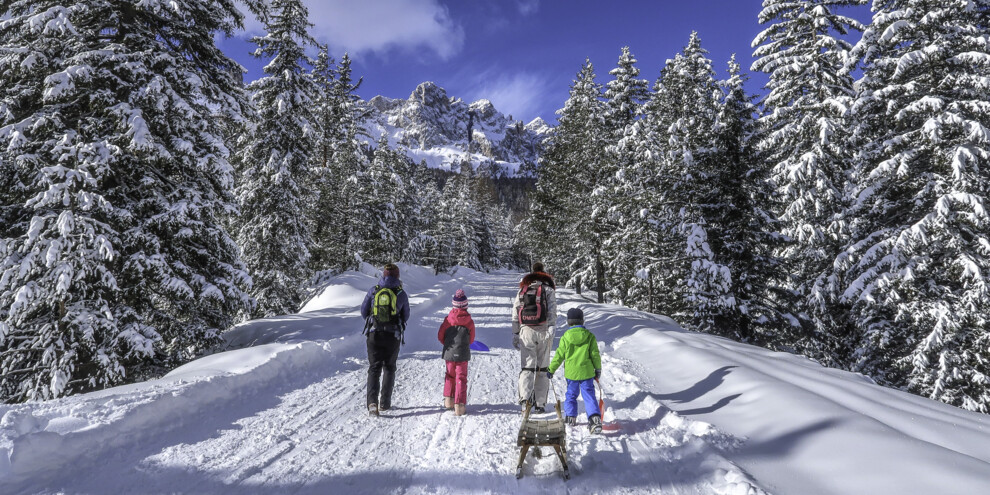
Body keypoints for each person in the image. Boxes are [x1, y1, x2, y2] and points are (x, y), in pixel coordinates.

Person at [360, 263, 410, 416]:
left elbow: (363, 311)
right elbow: (406, 315)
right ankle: (385, 403)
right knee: (389, 367)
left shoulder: (374, 290)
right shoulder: (401, 293)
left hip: (374, 334)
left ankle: (372, 403)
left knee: (374, 368)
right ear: (397, 276)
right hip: (392, 336)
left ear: (383, 275)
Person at [547, 307, 603, 434]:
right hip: (587, 373)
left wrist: (551, 369)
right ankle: (594, 419)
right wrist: (597, 369)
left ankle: (570, 417)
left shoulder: (566, 337)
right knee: (589, 395)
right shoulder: (589, 336)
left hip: (571, 374)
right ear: (582, 321)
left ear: (568, 321)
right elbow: (595, 354)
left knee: (571, 395)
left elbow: (559, 356)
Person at [512, 261, 557, 413]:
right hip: (544, 330)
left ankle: (525, 399)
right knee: (542, 368)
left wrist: (516, 332)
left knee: (527, 367)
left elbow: (515, 311)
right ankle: (540, 403)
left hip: (526, 331)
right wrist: (551, 327)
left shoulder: (523, 290)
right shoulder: (548, 289)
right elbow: (552, 310)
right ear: (543, 272)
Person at [437, 289, 476, 416]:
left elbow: (440, 336)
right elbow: (472, 339)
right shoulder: (469, 321)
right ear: (465, 306)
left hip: (449, 352)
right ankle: (459, 405)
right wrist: (463, 344)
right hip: (463, 353)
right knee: (461, 377)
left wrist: (448, 344)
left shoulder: (448, 320)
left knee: (450, 375)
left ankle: (448, 401)